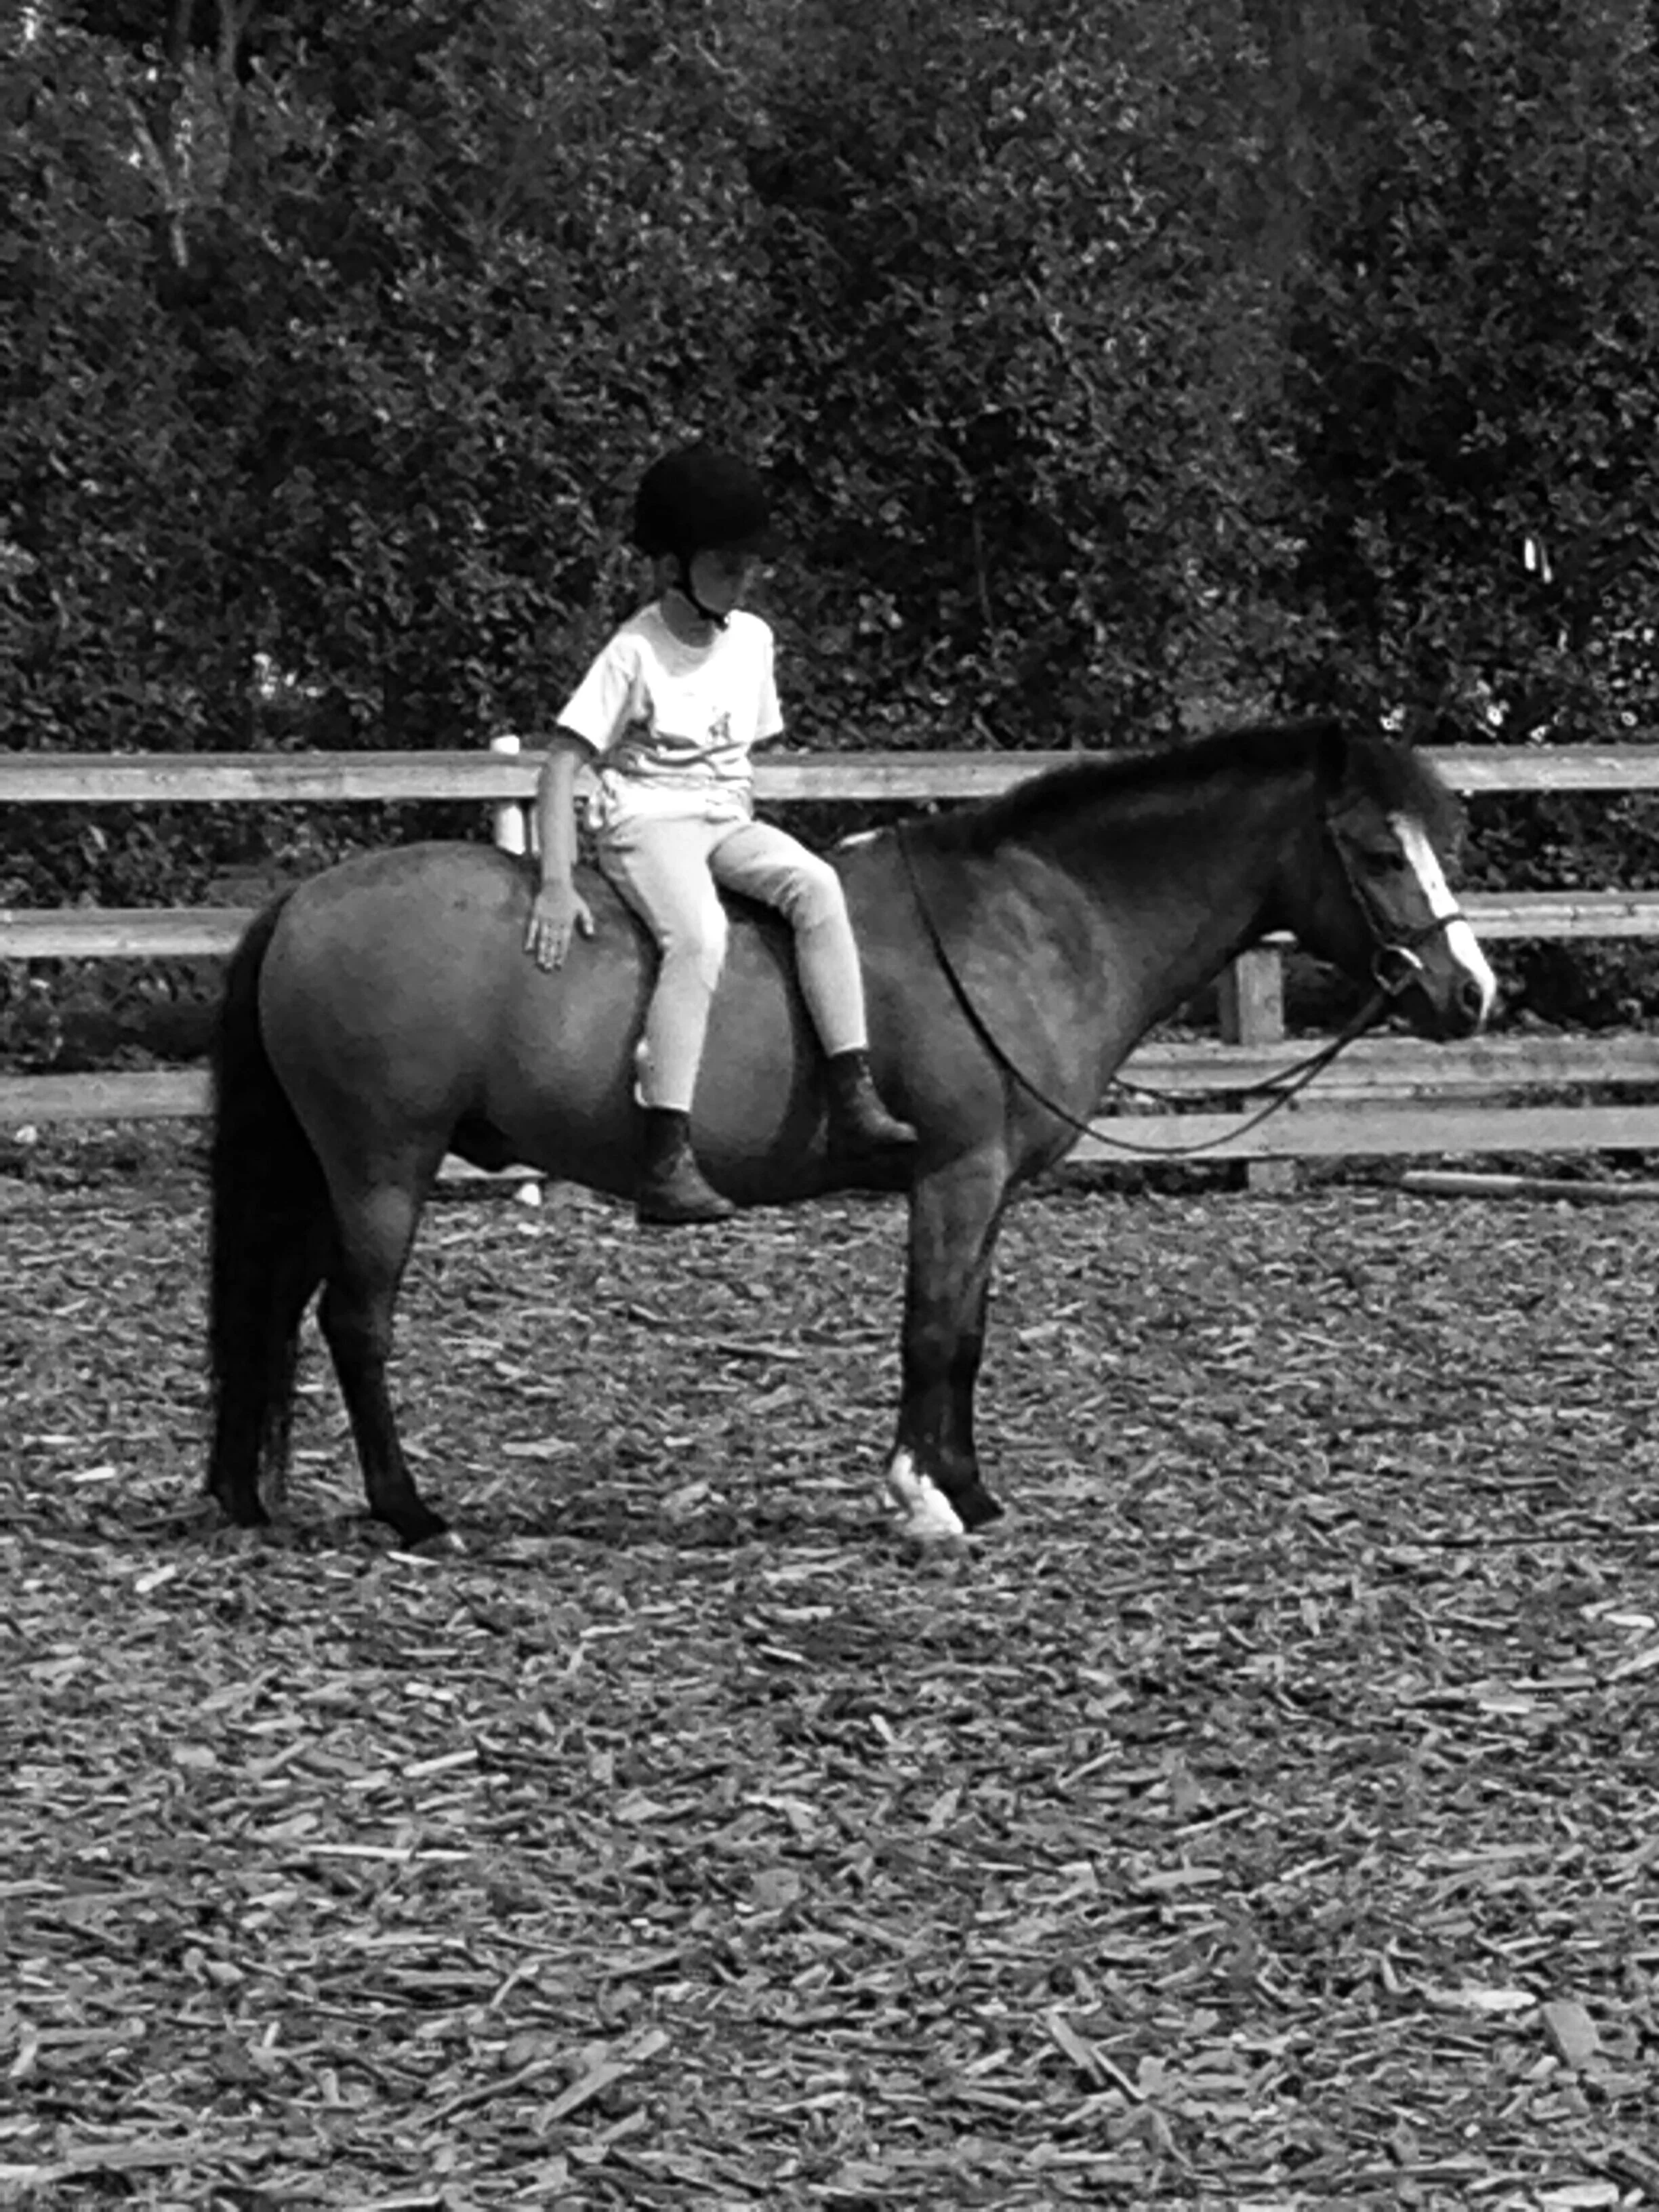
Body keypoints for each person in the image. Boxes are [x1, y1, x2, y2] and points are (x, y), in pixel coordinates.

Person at [524, 443, 917, 1226]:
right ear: (673, 567)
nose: (742, 581)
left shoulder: (753, 641)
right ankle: (665, 1153)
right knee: (698, 936)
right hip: (646, 820)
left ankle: (853, 1093)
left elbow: (742, 760)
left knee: (818, 886)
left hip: (723, 816)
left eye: (747, 567)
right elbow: (561, 766)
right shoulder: (634, 650)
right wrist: (557, 881)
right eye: (725, 567)